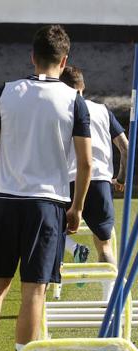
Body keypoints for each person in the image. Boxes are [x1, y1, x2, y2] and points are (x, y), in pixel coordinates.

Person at [0, 25, 92, 351]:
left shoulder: (7, 91)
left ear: (32, 56)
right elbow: (86, 163)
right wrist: (77, 206)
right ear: (64, 60)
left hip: (6, 200)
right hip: (46, 203)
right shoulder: (72, 99)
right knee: (34, 291)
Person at [60, 65, 128, 299]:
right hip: (99, 181)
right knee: (105, 246)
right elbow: (126, 147)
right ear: (83, 86)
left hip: (69, 180)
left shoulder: (59, 110)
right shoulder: (102, 110)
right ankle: (109, 301)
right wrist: (121, 178)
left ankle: (73, 250)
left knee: (51, 234)